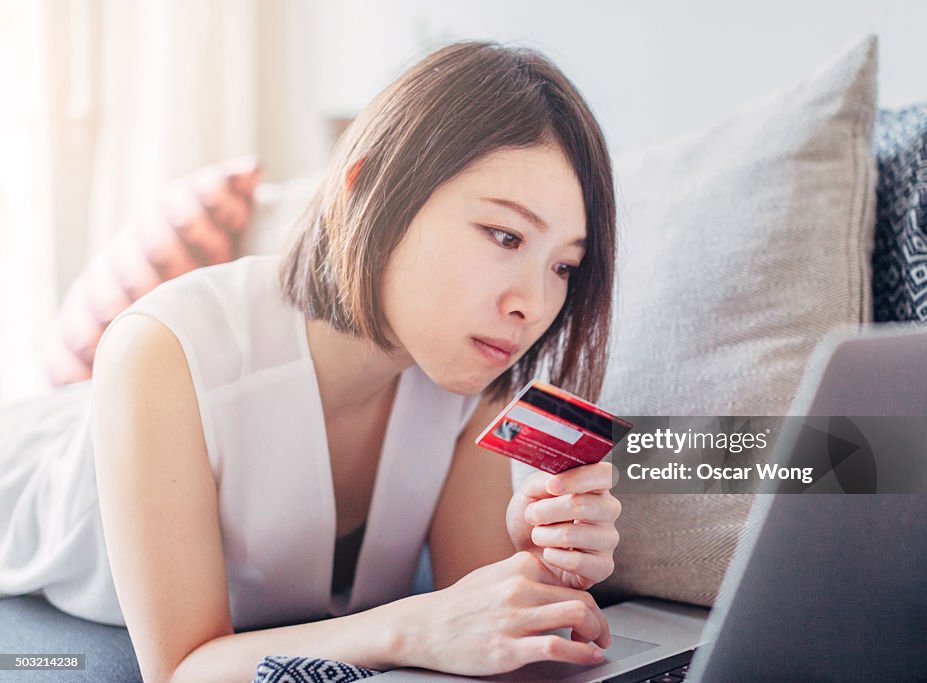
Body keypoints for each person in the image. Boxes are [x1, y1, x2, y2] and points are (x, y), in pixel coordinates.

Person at [0, 41, 621, 682]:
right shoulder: (161, 349)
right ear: (367, 188)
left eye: (563, 266)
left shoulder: (470, 371)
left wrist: (541, 561)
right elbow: (181, 669)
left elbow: (478, 622)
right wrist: (410, 625)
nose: (534, 303)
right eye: (505, 236)